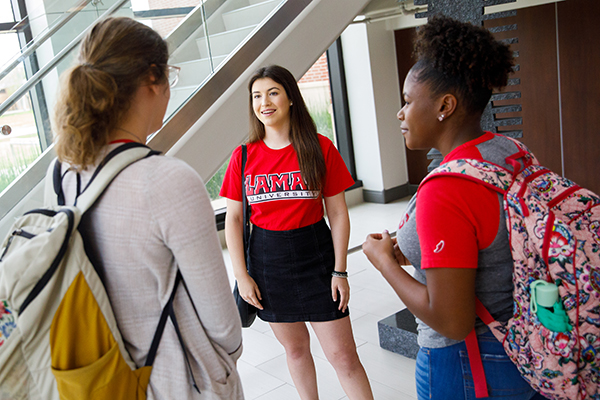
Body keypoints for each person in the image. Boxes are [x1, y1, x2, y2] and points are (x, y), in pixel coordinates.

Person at [52, 17, 244, 399]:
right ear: (153, 79)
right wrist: (225, 364)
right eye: (170, 75)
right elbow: (223, 326)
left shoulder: (61, 172)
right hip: (174, 383)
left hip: (98, 379)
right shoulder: (168, 180)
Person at [362, 16, 548, 400]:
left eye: (408, 101)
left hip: (467, 364)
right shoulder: (510, 151)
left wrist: (383, 263)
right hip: (527, 347)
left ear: (445, 106)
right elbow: (492, 237)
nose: (400, 113)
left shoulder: (446, 189)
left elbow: (451, 321)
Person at [220, 65, 373, 400]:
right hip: (268, 265)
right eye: (256, 96)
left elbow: (338, 213)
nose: (264, 102)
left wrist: (340, 271)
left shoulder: (320, 147)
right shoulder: (243, 156)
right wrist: (242, 275)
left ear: (290, 98)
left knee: (343, 356)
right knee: (295, 350)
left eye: (273, 93)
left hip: (316, 259)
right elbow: (234, 219)